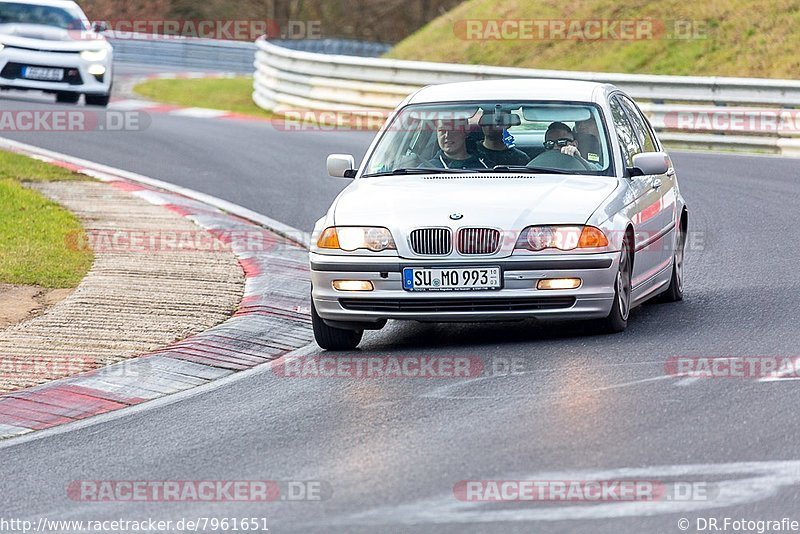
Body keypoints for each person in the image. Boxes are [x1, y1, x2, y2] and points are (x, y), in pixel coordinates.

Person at [421, 118, 489, 170]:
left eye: (453, 130)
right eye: (442, 130)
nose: (447, 135)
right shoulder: (424, 170)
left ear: (465, 131)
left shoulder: (487, 167)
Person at [528, 122, 598, 171]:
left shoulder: (587, 166)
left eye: (562, 142)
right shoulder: (537, 168)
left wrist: (579, 158)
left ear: (574, 144)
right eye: (550, 143)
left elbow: (599, 171)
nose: (555, 147)